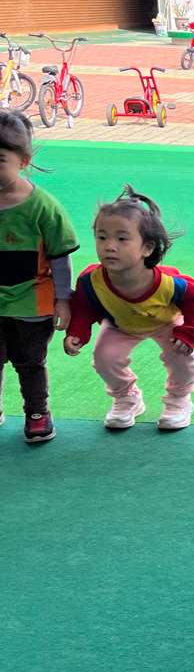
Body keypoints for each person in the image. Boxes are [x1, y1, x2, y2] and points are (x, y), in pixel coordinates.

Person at [63, 186, 194, 431]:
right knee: (104, 358)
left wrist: (189, 333)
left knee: (182, 356)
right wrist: (78, 332)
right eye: (102, 238)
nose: (110, 246)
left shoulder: (169, 283)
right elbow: (83, 306)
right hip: (120, 325)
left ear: (147, 248)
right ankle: (126, 397)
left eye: (122, 239)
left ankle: (179, 399)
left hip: (165, 323)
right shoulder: (91, 280)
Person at [0, 111, 78, 444]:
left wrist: (63, 299)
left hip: (32, 303)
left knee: (30, 362)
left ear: (24, 161)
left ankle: (37, 413)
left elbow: (61, 257)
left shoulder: (44, 206)